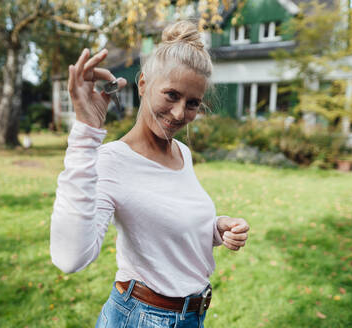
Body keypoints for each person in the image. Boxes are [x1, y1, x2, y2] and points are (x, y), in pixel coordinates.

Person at [50, 20, 250, 328]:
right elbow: (70, 257)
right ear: (143, 84)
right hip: (142, 318)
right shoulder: (112, 161)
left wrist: (214, 229)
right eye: (171, 95)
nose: (180, 113)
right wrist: (85, 134)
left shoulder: (181, 153)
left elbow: (164, 221)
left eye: (192, 103)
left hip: (190, 317)